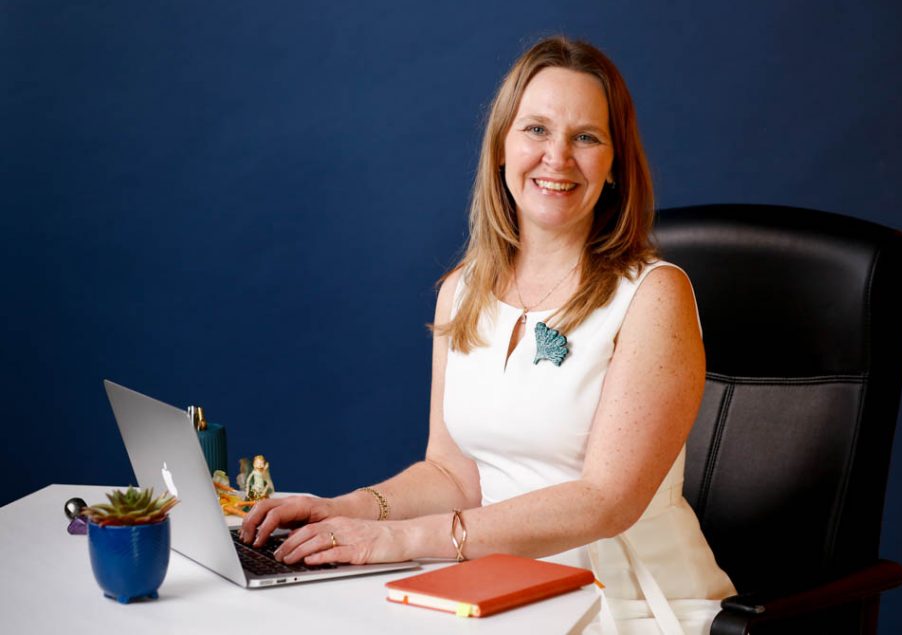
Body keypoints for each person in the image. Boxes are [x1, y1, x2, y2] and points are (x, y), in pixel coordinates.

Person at [240, 36, 735, 633]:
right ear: (501, 148)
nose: (558, 156)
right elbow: (453, 475)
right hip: (501, 591)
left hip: (626, 604)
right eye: (536, 130)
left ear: (614, 166)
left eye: (586, 137)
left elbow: (607, 499)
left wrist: (397, 540)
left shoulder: (654, 295)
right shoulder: (464, 290)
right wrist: (341, 511)